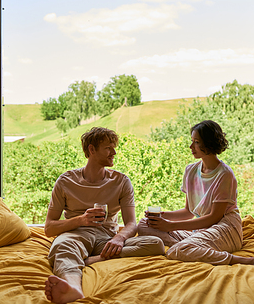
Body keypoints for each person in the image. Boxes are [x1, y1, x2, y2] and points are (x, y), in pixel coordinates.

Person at [43, 127, 165, 304]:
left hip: (107, 239)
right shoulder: (66, 181)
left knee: (156, 244)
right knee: (62, 246)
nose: (114, 152)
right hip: (75, 235)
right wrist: (81, 220)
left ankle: (91, 260)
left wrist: (119, 239)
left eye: (114, 147)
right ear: (92, 150)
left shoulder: (121, 181)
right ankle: (73, 289)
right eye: (108, 148)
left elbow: (131, 223)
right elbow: (49, 228)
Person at [138, 120, 254, 272]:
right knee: (144, 224)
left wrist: (170, 226)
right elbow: (188, 212)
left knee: (176, 251)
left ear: (209, 143)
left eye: (196, 142)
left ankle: (249, 260)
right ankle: (193, 246)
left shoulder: (225, 175)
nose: (191, 147)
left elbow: (214, 218)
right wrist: (161, 217)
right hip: (200, 230)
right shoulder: (191, 171)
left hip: (225, 227)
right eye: (192, 141)